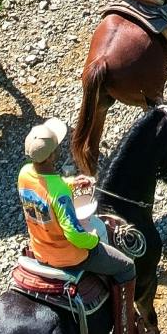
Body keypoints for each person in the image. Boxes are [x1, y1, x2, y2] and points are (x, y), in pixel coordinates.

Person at [16, 117, 137, 286]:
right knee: (126, 266)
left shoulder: (24, 173)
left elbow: (43, 186)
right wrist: (94, 240)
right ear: (52, 156)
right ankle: (126, 313)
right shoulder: (60, 194)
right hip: (67, 257)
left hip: (39, 249)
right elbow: (74, 234)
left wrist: (73, 182)